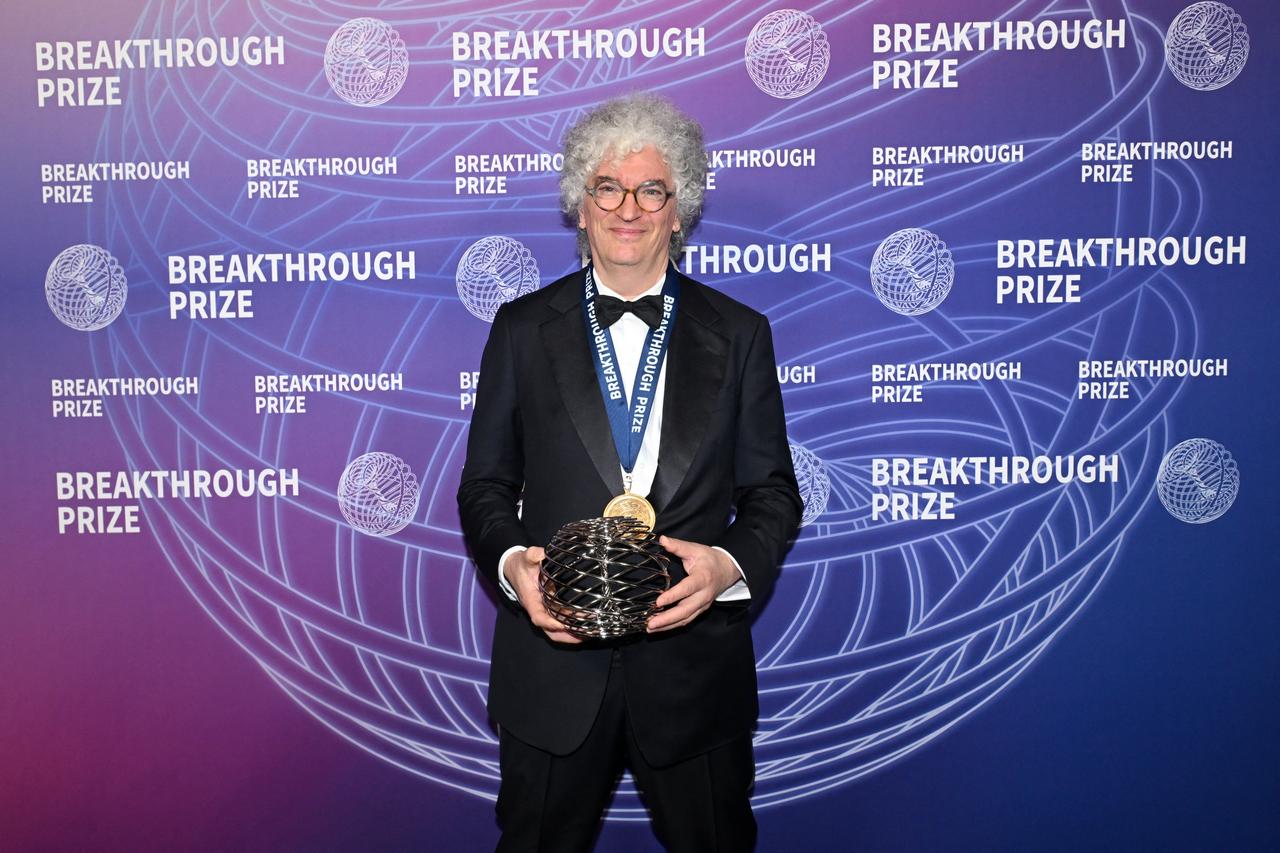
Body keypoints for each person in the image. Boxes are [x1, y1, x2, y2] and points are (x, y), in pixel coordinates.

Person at [457, 93, 802, 852]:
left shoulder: (741, 335)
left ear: (680, 211)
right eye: (607, 187)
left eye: (652, 190)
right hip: (551, 677)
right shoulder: (520, 329)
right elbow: (484, 485)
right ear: (581, 208)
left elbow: (773, 491)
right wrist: (517, 570)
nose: (628, 207)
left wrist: (729, 565)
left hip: (694, 678)